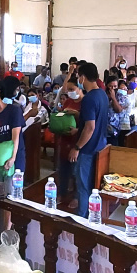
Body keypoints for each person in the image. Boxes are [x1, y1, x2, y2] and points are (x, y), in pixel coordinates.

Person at [69, 63, 110, 218]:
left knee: (83, 187)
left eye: (79, 76)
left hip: (87, 149)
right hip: (100, 146)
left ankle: (82, 219)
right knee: (93, 186)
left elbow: (90, 127)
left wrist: (77, 147)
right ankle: (93, 216)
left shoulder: (89, 98)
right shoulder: (103, 95)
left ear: (83, 77)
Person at [56, 77, 84, 205]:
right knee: (63, 170)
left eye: (72, 89)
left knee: (76, 172)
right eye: (68, 90)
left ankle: (76, 197)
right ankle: (61, 194)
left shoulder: (85, 102)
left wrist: (75, 114)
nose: (70, 93)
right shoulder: (68, 101)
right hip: (65, 139)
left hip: (78, 141)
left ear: (80, 88)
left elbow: (88, 124)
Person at [110, 80, 133, 145]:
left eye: (125, 89)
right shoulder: (112, 99)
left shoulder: (127, 99)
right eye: (121, 89)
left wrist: (115, 101)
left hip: (124, 126)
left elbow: (119, 110)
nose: (123, 91)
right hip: (114, 127)